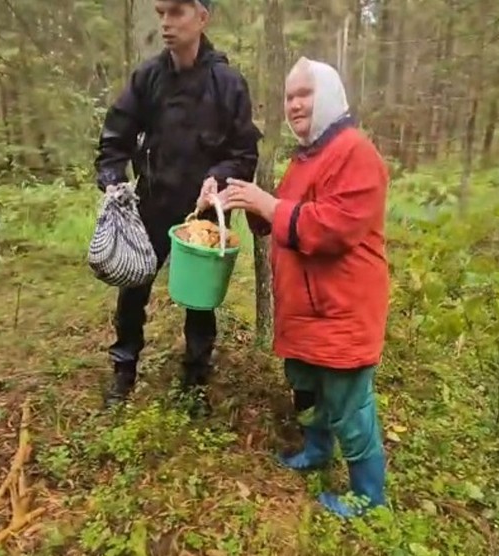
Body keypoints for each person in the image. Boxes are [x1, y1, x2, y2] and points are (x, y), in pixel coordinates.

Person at [215, 57, 390, 518]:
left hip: (342, 309)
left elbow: (333, 228)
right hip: (306, 310)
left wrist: (270, 205)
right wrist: (245, 200)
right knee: (306, 387)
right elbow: (283, 216)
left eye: (304, 95)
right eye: (289, 97)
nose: (294, 105)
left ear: (330, 95)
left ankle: (369, 496)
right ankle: (316, 451)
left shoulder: (355, 153)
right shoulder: (307, 155)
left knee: (348, 403)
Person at [93, 0, 261, 415]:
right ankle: (124, 368)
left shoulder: (227, 83)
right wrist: (113, 179)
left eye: (177, 13)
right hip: (151, 202)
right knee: (133, 289)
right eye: (162, 13)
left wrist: (219, 178)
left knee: (200, 300)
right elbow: (116, 136)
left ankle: (196, 379)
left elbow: (244, 153)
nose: (166, 23)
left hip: (204, 212)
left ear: (202, 18)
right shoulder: (148, 77)